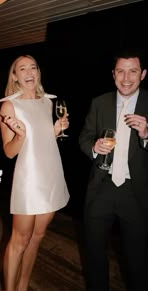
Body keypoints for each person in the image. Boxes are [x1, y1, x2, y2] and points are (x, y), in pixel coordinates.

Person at [79, 47, 148, 291]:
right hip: (101, 189)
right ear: (113, 74)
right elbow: (84, 137)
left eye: (133, 71)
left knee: (138, 261)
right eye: (121, 71)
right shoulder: (99, 103)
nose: (126, 77)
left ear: (143, 74)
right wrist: (95, 148)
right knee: (95, 254)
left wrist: (146, 135)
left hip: (137, 194)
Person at [0, 55, 70, 291]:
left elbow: (43, 139)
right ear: (14, 76)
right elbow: (10, 152)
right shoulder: (9, 106)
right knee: (20, 240)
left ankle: (23, 286)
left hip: (51, 174)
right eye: (22, 68)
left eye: (33, 67)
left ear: (38, 73)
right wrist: (19, 136)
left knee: (38, 237)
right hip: (29, 180)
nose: (29, 72)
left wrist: (56, 129)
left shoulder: (47, 102)